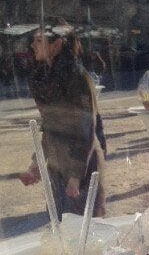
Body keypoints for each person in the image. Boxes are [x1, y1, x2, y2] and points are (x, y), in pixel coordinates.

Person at [18, 25, 106, 218]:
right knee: (60, 229)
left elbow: (86, 129)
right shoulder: (45, 78)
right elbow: (50, 127)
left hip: (82, 163)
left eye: (39, 40)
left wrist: (76, 176)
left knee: (86, 231)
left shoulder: (77, 78)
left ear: (56, 45)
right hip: (59, 166)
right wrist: (36, 164)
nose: (33, 45)